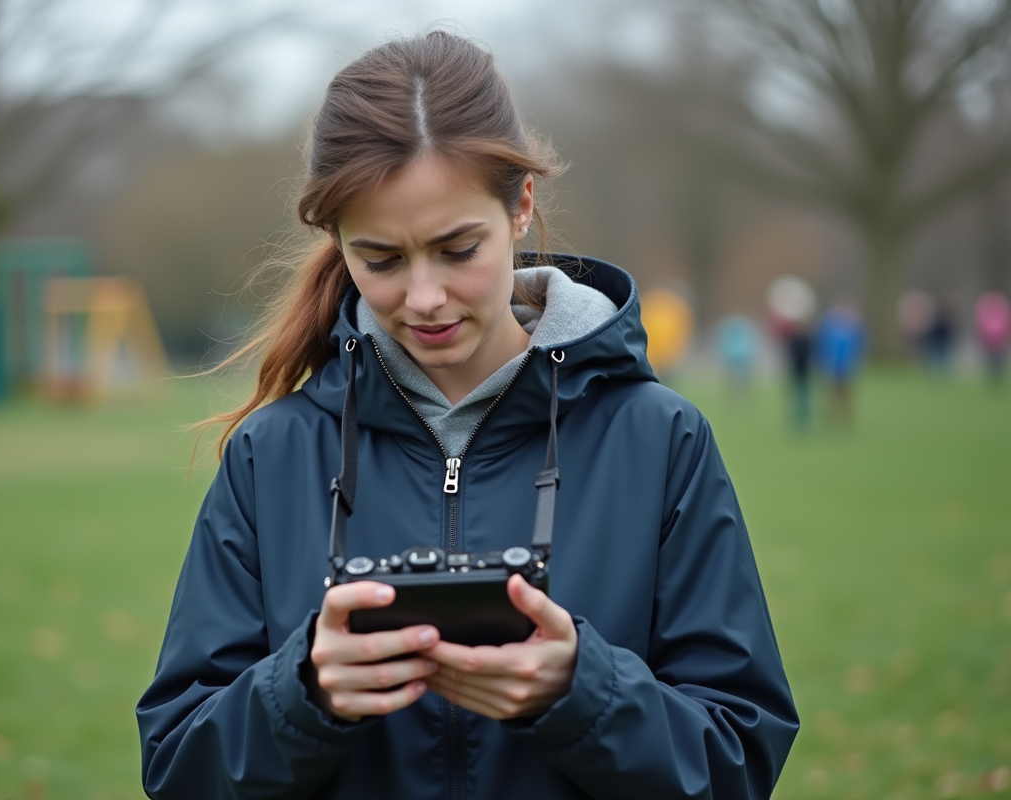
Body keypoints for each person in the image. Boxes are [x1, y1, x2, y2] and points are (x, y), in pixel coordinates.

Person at [137, 31, 798, 800]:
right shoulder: (270, 454)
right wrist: (303, 694)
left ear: (520, 207)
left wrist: (582, 693)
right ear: (337, 243)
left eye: (457, 250)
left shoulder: (661, 440)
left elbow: (737, 761)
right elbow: (179, 768)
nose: (424, 298)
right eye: (381, 259)